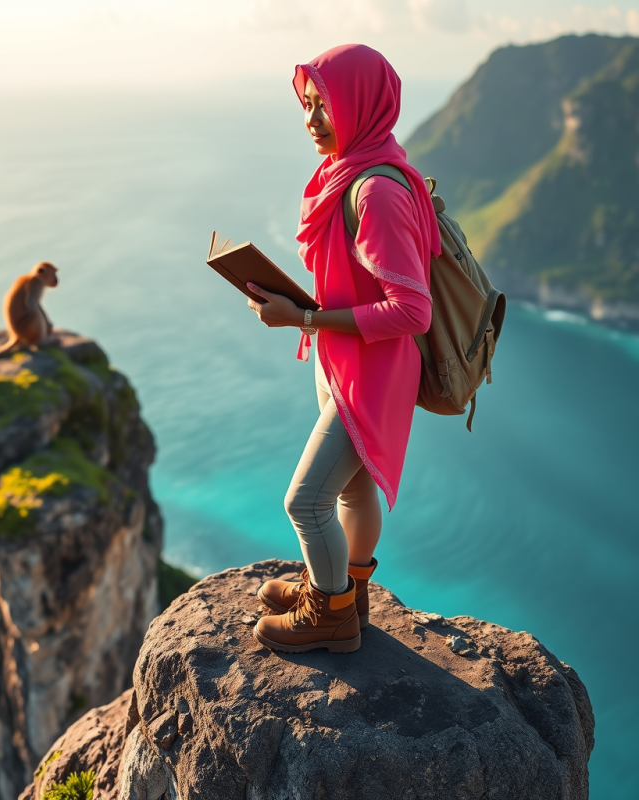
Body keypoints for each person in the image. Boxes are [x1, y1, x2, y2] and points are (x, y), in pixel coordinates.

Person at [247, 44, 442, 654]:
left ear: (360, 105)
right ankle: (343, 591)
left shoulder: (374, 192)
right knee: (352, 490)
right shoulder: (353, 171)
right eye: (307, 106)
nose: (311, 122)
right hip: (346, 359)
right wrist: (305, 312)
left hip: (373, 371)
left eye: (325, 106)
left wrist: (303, 315)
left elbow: (412, 310)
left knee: (305, 502)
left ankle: (329, 618)